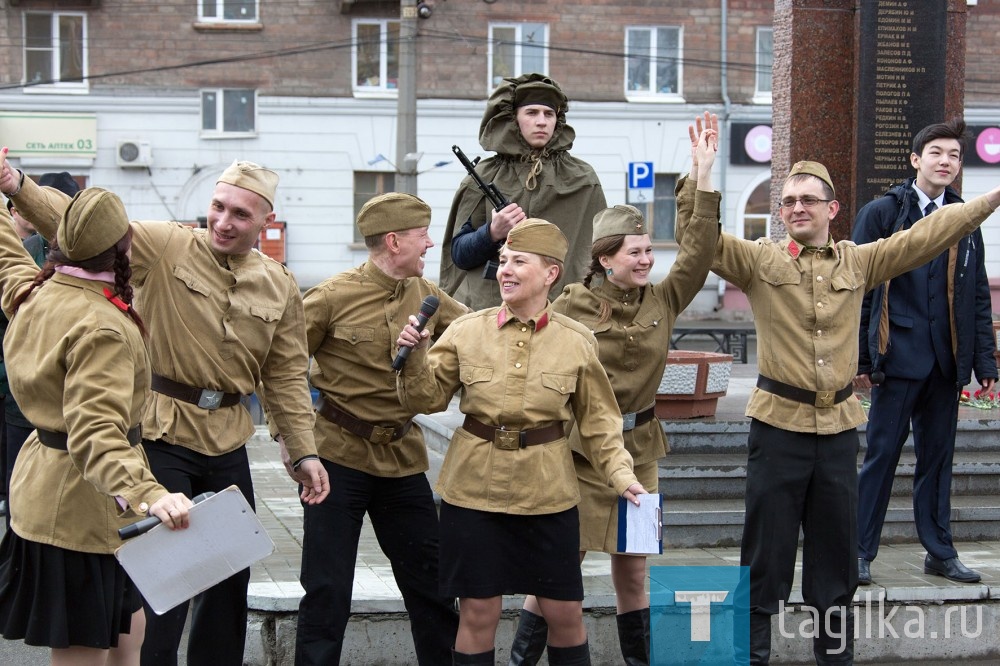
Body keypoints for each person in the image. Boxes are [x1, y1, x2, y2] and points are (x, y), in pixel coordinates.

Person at [0, 155, 329, 666]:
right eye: (218, 207)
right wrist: (18, 186)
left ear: (265, 220)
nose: (223, 221)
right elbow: (84, 224)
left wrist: (302, 449)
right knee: (161, 583)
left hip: (225, 440)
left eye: (241, 214)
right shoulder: (167, 242)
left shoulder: (279, 283)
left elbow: (284, 374)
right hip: (160, 435)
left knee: (226, 577)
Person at [700, 157, 1000, 665]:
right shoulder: (758, 260)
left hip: (838, 431)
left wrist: (991, 200)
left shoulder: (857, 262)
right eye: (789, 201)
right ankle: (750, 657)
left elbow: (926, 236)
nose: (798, 208)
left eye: (808, 200)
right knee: (764, 557)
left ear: (832, 209)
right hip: (778, 429)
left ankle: (834, 659)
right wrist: (702, 177)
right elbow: (702, 240)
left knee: (837, 561)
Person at [508, 114, 721, 666]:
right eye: (636, 252)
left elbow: (698, 251)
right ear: (606, 258)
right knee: (562, 566)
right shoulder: (570, 304)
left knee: (634, 568)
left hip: (641, 454)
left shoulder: (663, 299)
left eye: (650, 251)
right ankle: (520, 661)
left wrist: (702, 176)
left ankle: (639, 661)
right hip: (580, 456)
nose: (648, 260)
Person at [397, 219, 645, 665]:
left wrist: (621, 476)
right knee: (477, 611)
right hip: (473, 491)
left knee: (564, 611)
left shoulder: (577, 342)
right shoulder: (466, 330)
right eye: (504, 260)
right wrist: (414, 356)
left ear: (551, 274)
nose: (506, 270)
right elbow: (427, 399)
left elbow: (600, 423)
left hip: (547, 494)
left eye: (519, 262)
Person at [0, 183, 193, 666]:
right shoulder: (101, 326)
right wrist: (152, 493)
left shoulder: (38, 290)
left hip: (51, 490)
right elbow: (96, 434)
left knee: (130, 631)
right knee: (86, 653)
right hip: (82, 510)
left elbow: (7, 257)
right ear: (125, 244)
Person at [295, 192, 466, 665]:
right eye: (421, 236)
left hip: (401, 459)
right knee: (327, 590)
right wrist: (293, 446)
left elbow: (477, 333)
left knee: (431, 586)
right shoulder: (330, 297)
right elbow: (282, 367)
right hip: (335, 459)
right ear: (393, 241)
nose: (431, 243)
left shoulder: (427, 293)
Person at [853, 119, 996, 586]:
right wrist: (860, 360)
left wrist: (985, 362)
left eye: (954, 155)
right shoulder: (882, 212)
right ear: (916, 160)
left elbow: (976, 294)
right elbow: (858, 289)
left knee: (937, 461)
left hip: (945, 361)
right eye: (936, 152)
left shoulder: (965, 218)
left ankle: (939, 552)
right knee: (881, 457)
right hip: (895, 360)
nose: (946, 161)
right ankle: (858, 552)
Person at [440, 72, 607, 310]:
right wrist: (491, 232)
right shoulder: (486, 176)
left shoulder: (582, 178)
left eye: (549, 114)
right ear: (512, 119)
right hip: (491, 312)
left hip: (562, 312)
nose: (542, 122)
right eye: (531, 113)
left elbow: (602, 251)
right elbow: (459, 255)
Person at [3, 172, 81, 519]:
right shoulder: (29, 254)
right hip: (21, 395)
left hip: (76, 410)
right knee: (20, 491)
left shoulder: (102, 264)